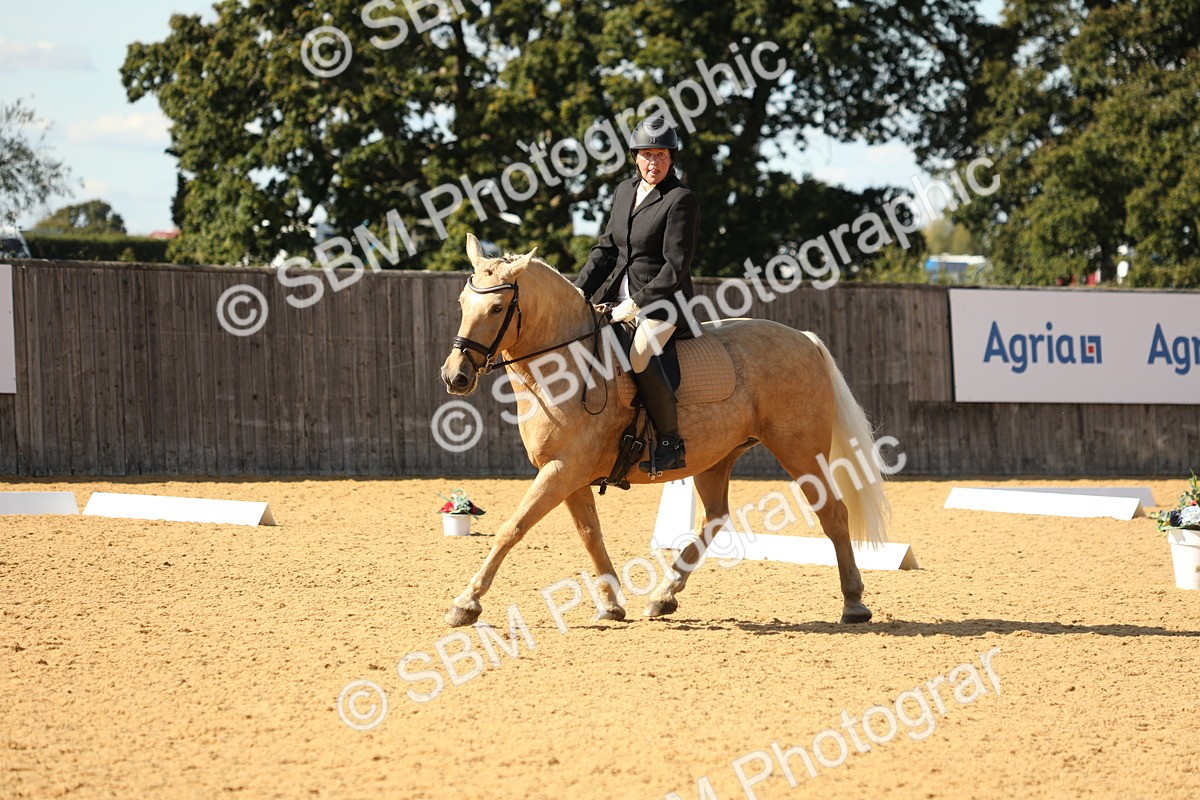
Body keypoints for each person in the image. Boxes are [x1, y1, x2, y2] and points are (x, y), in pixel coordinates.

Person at [574, 116, 699, 474]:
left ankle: (672, 443)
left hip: (664, 305)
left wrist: (636, 303)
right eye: (647, 154)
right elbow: (606, 250)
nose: (653, 162)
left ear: (672, 158)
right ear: (635, 157)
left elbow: (675, 267)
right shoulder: (624, 192)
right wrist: (578, 291)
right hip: (619, 299)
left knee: (639, 352)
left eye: (661, 154)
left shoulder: (680, 200)